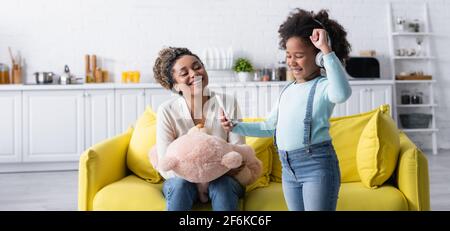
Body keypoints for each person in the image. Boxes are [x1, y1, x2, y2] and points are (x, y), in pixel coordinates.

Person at [221, 9, 352, 211]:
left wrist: (326, 51)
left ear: (318, 59)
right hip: (288, 169)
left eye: (299, 55)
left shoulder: (324, 86)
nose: (291, 61)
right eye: (289, 55)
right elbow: (268, 127)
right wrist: (235, 127)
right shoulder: (288, 90)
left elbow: (342, 94)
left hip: (316, 167)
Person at [153, 47, 245, 211]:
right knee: (180, 186)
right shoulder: (167, 111)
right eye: (184, 73)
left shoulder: (228, 103)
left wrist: (212, 173)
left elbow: (239, 153)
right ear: (175, 85)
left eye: (197, 67)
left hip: (223, 178)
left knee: (221, 185)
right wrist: (196, 177)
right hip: (182, 181)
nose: (194, 74)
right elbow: (165, 165)